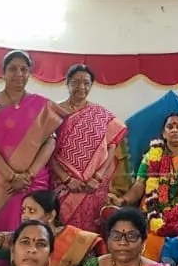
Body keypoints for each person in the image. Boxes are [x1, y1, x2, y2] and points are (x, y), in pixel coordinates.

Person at [0, 50, 61, 232]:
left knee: (33, 227)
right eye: (13, 69)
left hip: (33, 179)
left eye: (24, 69)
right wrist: (12, 176)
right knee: (0, 227)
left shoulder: (42, 105)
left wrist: (28, 176)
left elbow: (50, 142)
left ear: (30, 73)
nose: (19, 74)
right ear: (3, 72)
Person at [51, 64, 126, 232]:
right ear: (67, 83)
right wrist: (67, 179)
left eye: (86, 83)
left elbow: (111, 146)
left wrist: (97, 177)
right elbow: (47, 150)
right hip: (62, 183)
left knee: (92, 230)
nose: (81, 87)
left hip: (93, 185)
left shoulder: (100, 114)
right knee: (63, 231)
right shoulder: (53, 111)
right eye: (76, 82)